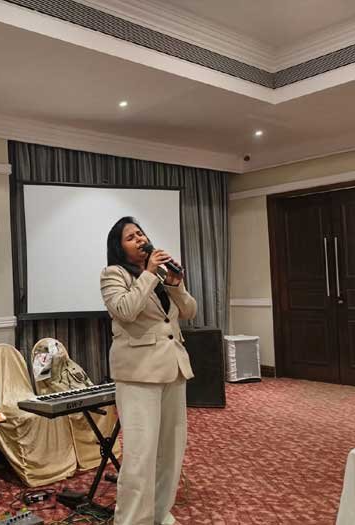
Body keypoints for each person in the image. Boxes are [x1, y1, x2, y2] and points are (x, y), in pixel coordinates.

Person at [100, 216, 197, 525]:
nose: (140, 239)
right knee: (141, 453)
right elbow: (125, 310)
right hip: (137, 372)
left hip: (173, 367)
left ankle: (159, 512)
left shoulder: (162, 276)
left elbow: (189, 311)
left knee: (171, 449)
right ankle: (132, 520)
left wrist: (175, 285)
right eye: (131, 237)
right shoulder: (113, 274)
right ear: (119, 247)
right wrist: (149, 274)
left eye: (141, 233)